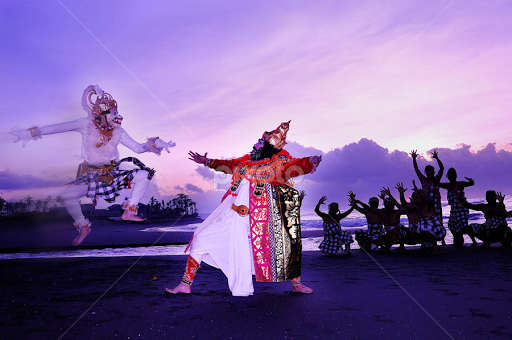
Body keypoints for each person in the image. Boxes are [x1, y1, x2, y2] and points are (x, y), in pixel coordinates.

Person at [166, 121, 322, 296]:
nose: (259, 145)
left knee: (289, 245)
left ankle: (297, 284)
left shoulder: (280, 162)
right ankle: (185, 284)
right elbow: (226, 164)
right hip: (233, 216)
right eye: (260, 141)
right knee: (201, 239)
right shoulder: (244, 162)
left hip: (266, 220)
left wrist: (310, 161)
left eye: (264, 142)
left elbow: (296, 166)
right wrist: (206, 161)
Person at [10, 85, 175, 246]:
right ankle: (83, 227)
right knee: (68, 196)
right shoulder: (86, 124)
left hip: (112, 174)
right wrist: (29, 133)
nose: (117, 116)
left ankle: (129, 211)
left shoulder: (118, 131)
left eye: (117, 112)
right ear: (101, 114)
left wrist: (157, 143)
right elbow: (58, 128)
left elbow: (139, 148)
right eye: (113, 113)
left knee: (145, 174)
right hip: (90, 175)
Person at [410, 149, 446, 244]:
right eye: (428, 170)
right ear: (425, 172)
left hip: (436, 204)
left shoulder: (436, 179)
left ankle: (442, 240)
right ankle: (426, 241)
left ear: (434, 172)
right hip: (425, 205)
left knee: (438, 220)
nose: (430, 172)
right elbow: (416, 169)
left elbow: (442, 169)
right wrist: (414, 159)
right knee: (425, 222)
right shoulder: (423, 180)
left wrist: (437, 158)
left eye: (432, 170)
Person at [438, 168, 478, 247]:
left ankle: (474, 241)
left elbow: (471, 184)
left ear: (456, 176)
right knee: (452, 225)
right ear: (448, 176)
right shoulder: (447, 185)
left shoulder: (460, 184)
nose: (451, 176)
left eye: (453, 174)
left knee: (464, 225)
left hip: (462, 208)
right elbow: (437, 183)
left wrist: (471, 181)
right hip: (454, 209)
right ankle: (458, 239)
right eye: (450, 175)